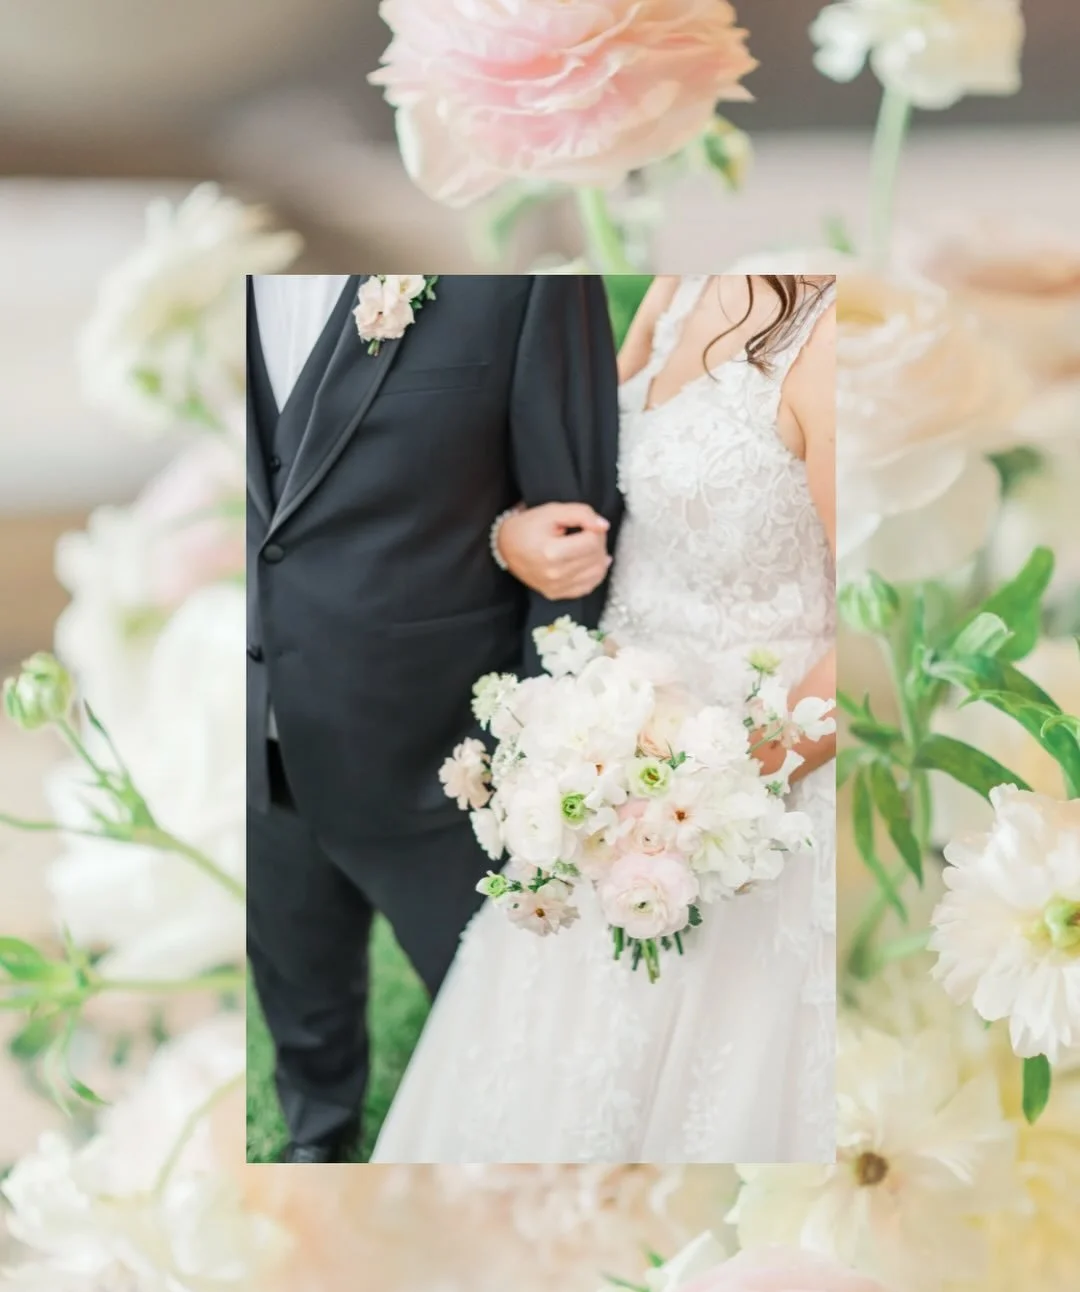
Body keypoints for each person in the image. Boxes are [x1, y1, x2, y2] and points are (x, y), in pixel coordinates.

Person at [373, 273, 837, 1163]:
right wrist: (518, 536)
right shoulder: (683, 280)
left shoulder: (831, 336)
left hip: (755, 770)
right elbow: (594, 488)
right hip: (605, 740)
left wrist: (703, 794)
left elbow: (870, 640)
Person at [246, 274, 622, 1161]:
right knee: (304, 1025)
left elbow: (577, 528)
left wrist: (543, 763)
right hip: (259, 744)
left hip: (443, 752)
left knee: (517, 1058)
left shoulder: (521, 285)